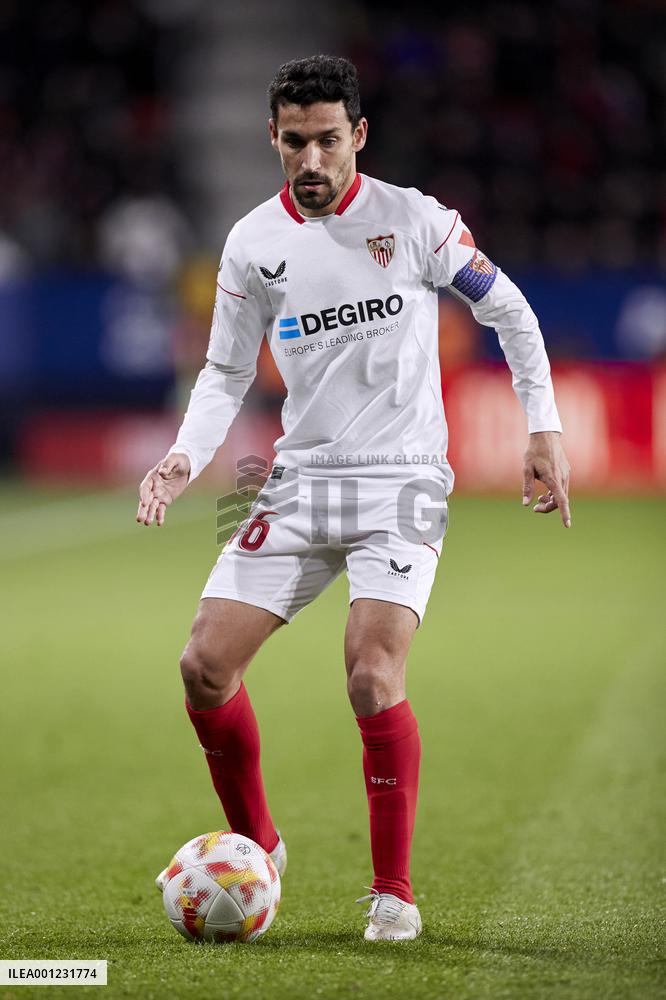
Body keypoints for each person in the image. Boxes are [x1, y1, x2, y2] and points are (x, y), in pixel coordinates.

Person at [136, 55, 570, 942]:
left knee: (372, 678)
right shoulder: (254, 243)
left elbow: (511, 313)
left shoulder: (415, 221)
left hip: (403, 480)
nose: (312, 161)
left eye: (328, 140)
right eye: (295, 142)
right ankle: (258, 844)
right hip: (298, 481)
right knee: (202, 667)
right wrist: (184, 457)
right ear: (273, 138)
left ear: (358, 136)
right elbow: (223, 372)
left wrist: (544, 427)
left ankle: (394, 893)